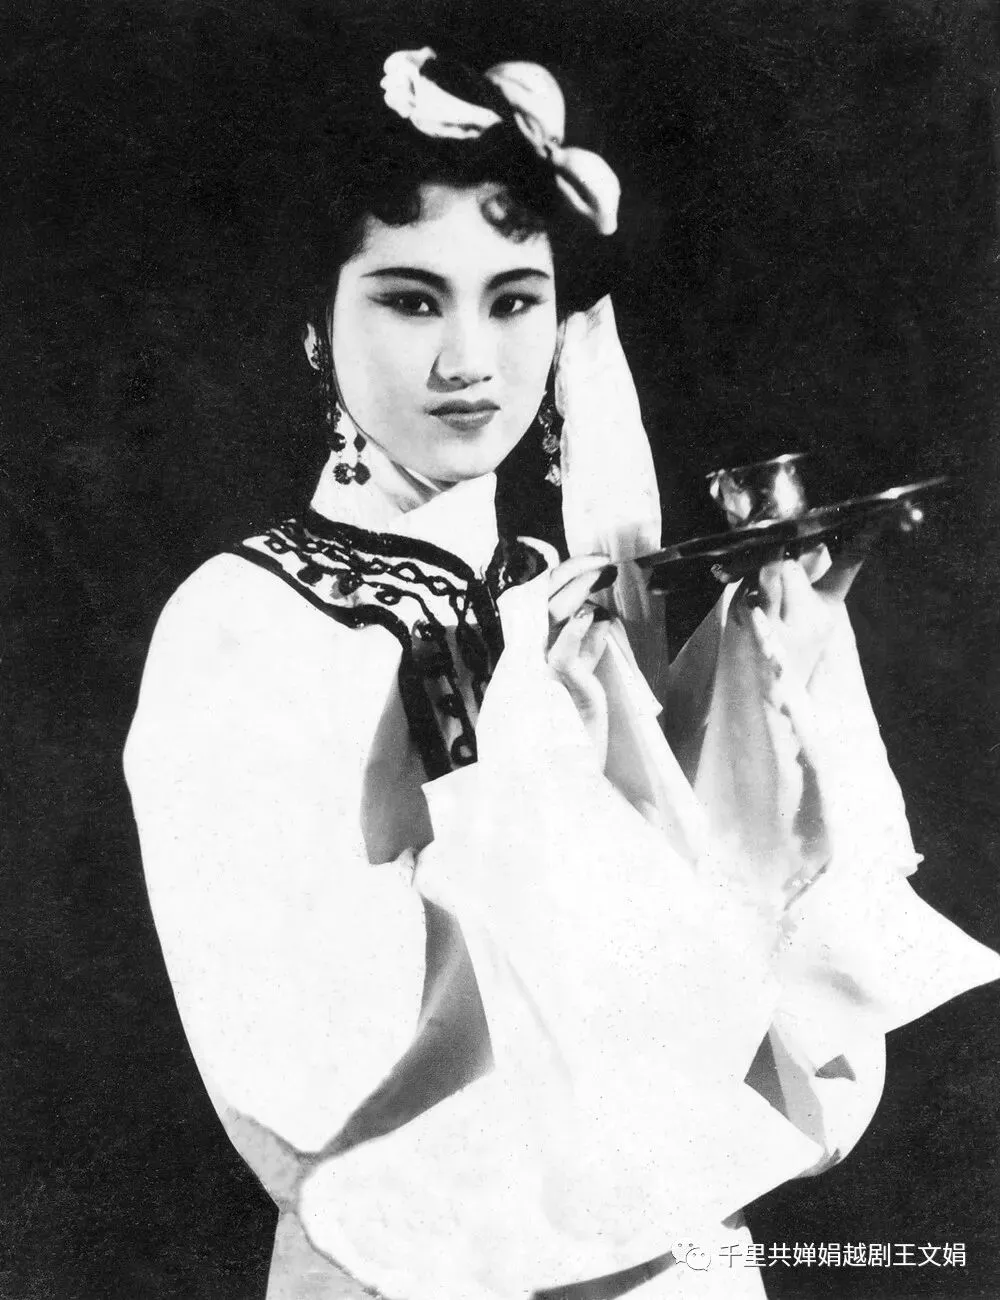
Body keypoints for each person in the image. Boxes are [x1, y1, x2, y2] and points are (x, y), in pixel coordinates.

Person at [124, 48, 1000, 1300]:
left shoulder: (556, 590)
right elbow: (298, 1084)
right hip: (430, 1260)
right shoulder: (248, 623)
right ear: (316, 326)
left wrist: (772, 681)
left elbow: (717, 937)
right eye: (411, 301)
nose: (469, 361)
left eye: (514, 300)